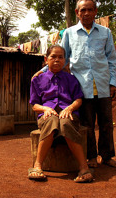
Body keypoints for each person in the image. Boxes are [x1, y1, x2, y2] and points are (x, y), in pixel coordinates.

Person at [34, 0, 116, 168]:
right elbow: (61, 58)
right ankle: (91, 157)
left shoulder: (105, 33)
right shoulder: (69, 33)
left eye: (90, 9)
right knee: (86, 124)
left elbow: (112, 60)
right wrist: (42, 71)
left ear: (95, 12)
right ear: (77, 13)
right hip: (81, 87)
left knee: (106, 123)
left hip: (103, 86)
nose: (86, 13)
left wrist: (113, 83)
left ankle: (107, 155)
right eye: (83, 10)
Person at [28, 45, 93, 183]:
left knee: (65, 123)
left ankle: (84, 167)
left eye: (60, 57)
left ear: (65, 60)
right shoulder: (37, 80)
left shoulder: (71, 79)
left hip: (68, 113)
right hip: (47, 115)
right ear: (46, 59)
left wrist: (69, 108)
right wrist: (45, 109)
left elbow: (78, 99)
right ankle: (37, 166)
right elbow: (34, 105)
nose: (57, 60)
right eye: (53, 57)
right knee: (51, 121)